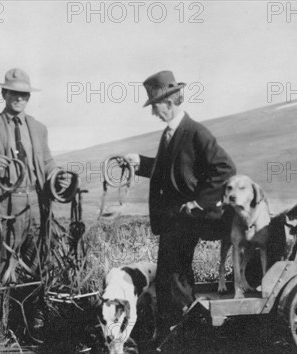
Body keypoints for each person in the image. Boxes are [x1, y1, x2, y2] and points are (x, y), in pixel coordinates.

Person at [126, 70, 236, 342]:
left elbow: (225, 169)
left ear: (170, 103)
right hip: (172, 220)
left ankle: (180, 338)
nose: (153, 112)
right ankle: (174, 335)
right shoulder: (172, 133)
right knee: (170, 277)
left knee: (175, 278)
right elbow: (169, 173)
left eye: (155, 106)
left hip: (188, 220)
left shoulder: (195, 132)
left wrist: (199, 202)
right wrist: (139, 162)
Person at [0, 68, 64, 345]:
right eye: (15, 93)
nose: (20, 99)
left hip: (35, 208)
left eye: (25, 94)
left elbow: (46, 164)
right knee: (0, 272)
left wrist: (59, 177)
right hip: (1, 209)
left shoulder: (39, 128)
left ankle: (36, 328)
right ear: (4, 94)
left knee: (36, 269)